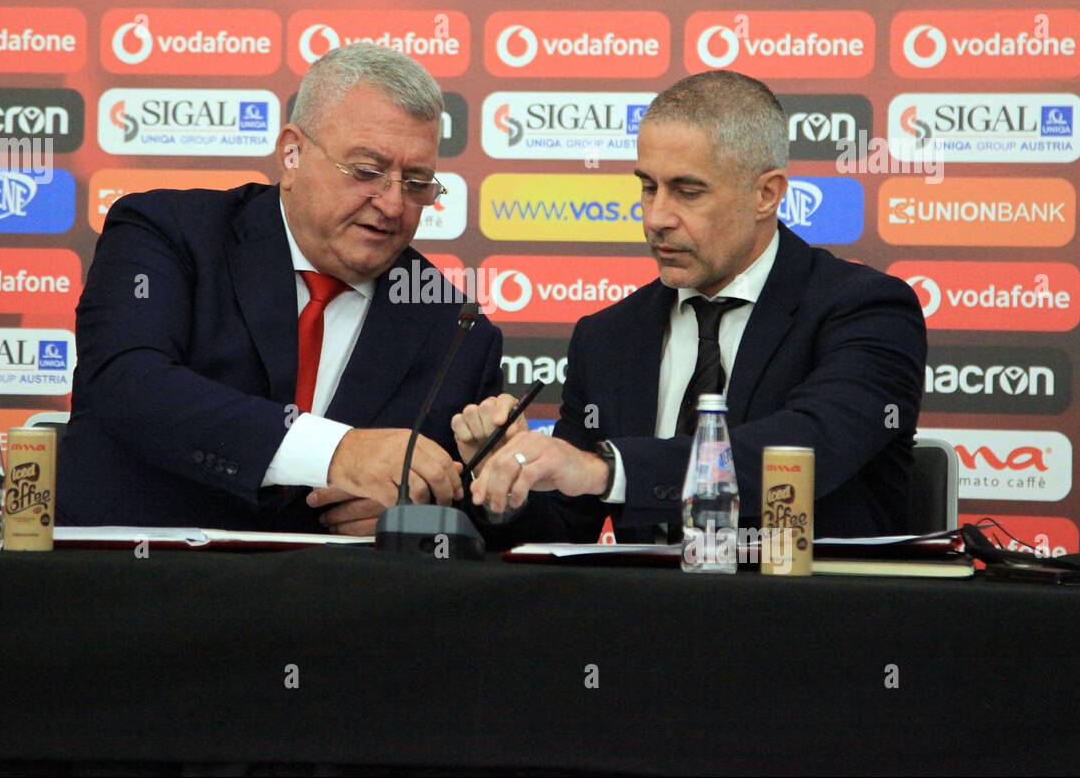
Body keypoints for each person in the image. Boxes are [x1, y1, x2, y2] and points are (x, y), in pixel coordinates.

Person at [456, 70, 928, 541]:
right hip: (643, 613)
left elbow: (803, 452)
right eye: (647, 186)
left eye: (688, 192)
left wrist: (605, 469)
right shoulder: (608, 337)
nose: (656, 218)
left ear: (766, 194)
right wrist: (502, 479)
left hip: (809, 609)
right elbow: (561, 529)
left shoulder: (868, 309)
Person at [58, 44, 503, 534]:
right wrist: (337, 453)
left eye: (416, 182)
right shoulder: (167, 233)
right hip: (139, 583)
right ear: (292, 153)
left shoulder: (454, 326)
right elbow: (128, 384)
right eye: (367, 172)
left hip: (340, 603)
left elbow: (472, 511)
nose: (394, 205)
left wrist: (418, 514)